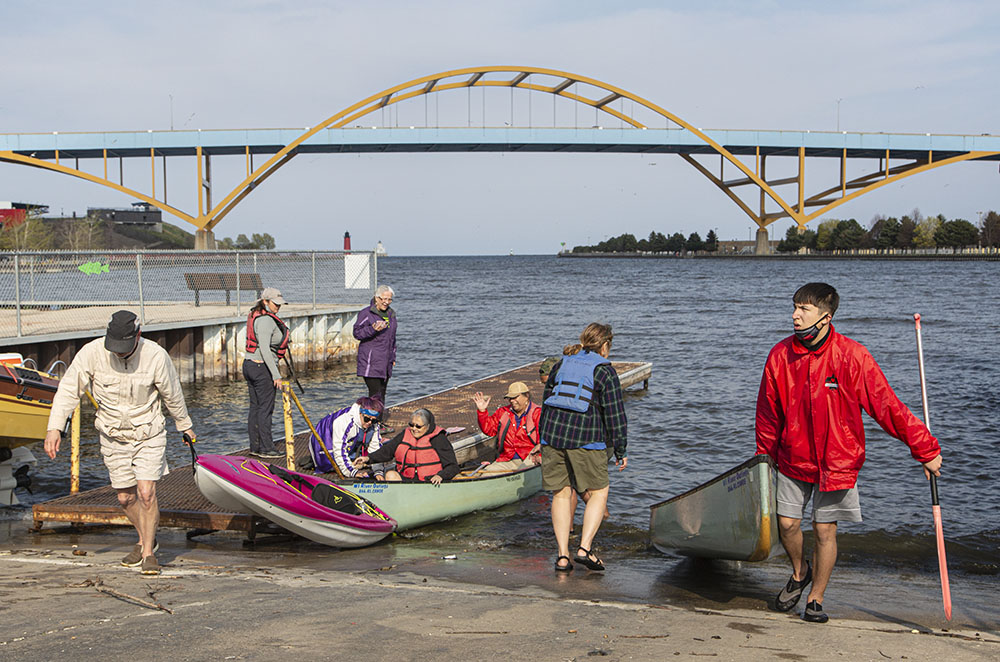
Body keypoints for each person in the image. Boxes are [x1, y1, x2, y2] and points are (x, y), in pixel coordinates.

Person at [756, 282, 942, 624]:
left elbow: (887, 406)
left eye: (804, 309)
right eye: (794, 307)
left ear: (826, 317)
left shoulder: (852, 356)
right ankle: (800, 573)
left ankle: (815, 597)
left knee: (825, 530)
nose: (795, 315)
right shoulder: (780, 355)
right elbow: (768, 414)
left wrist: (924, 447)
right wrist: (763, 460)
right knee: (786, 524)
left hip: (837, 461)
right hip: (792, 458)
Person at [43, 310, 195, 576]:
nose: (119, 353)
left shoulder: (155, 355)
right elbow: (68, 389)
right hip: (112, 434)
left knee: (146, 492)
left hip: (148, 431)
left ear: (138, 335)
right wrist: (54, 427)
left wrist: (185, 426)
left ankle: (148, 553)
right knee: (125, 498)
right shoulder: (92, 353)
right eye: (115, 348)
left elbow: (172, 393)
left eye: (124, 348)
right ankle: (146, 538)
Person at [540, 323, 627, 573]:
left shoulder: (562, 363)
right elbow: (616, 415)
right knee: (599, 491)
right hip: (586, 439)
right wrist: (621, 449)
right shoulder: (605, 372)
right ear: (605, 345)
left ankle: (562, 557)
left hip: (552, 437)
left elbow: (546, 400)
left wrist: (542, 439)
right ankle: (584, 548)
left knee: (561, 493)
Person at [353, 408, 459, 484]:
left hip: (430, 482)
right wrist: (367, 458)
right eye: (411, 425)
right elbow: (387, 451)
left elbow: (453, 466)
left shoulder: (438, 439)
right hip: (406, 480)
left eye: (418, 426)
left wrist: (441, 476)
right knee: (390, 474)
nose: (414, 429)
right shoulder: (405, 434)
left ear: (428, 426)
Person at [243, 287, 289, 460]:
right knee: (265, 409)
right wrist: (276, 374)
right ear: (265, 302)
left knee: (255, 407)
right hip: (261, 368)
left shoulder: (256, 315)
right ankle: (266, 448)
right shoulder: (266, 321)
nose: (278, 307)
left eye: (280, 304)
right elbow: (264, 349)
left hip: (249, 366)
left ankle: (255, 446)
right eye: (275, 304)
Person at [472, 381, 541, 473]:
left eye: (515, 397)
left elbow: (546, 439)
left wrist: (540, 455)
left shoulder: (538, 413)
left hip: (530, 457)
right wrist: (482, 411)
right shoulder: (503, 412)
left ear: (527, 396)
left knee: (522, 475)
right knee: (486, 474)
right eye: (510, 398)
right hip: (507, 458)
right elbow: (489, 430)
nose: (512, 401)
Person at [309, 396, 386, 479]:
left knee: (362, 459)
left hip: (350, 438)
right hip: (322, 438)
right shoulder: (344, 421)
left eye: (373, 420)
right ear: (360, 413)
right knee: (328, 464)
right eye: (367, 419)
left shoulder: (374, 424)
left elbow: (376, 448)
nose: (370, 423)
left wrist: (378, 471)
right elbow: (339, 450)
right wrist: (352, 472)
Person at [353, 285, 397, 403]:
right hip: (371, 361)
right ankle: (371, 420)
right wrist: (372, 329)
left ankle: (378, 420)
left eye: (389, 299)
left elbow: (392, 339)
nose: (386, 302)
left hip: (385, 362)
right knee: (375, 394)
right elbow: (357, 333)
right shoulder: (366, 313)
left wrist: (393, 357)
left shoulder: (391, 315)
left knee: (382, 393)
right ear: (377, 298)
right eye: (384, 299)